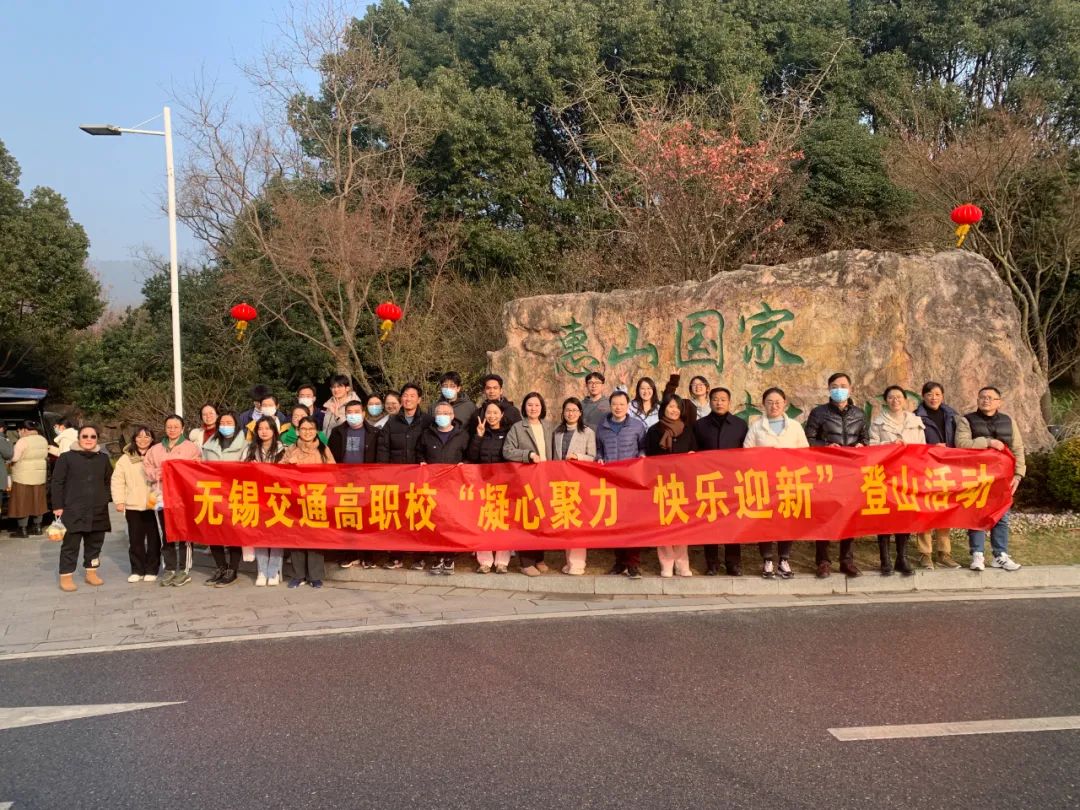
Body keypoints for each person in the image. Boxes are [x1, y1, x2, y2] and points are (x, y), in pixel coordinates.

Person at [804, 372, 869, 578]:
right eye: (834, 386)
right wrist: (826, 446)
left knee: (849, 515)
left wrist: (862, 445)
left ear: (850, 389)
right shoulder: (819, 413)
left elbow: (866, 439)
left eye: (842, 386)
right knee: (825, 515)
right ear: (829, 389)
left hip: (851, 472)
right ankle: (823, 561)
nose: (838, 389)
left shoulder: (859, 414)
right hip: (827, 471)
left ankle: (846, 561)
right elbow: (809, 439)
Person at [957, 386, 1025, 572]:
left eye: (990, 398)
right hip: (976, 476)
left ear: (999, 402)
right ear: (977, 400)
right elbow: (961, 444)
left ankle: (1000, 555)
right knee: (977, 514)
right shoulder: (966, 420)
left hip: (1003, 476)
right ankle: (977, 554)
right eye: (982, 397)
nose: (986, 400)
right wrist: (988, 442)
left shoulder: (1008, 421)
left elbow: (1018, 448)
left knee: (1001, 515)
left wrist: (1018, 474)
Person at [743, 387, 807, 578]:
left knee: (787, 519)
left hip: (789, 481)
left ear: (784, 403)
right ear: (764, 404)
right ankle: (767, 560)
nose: (774, 406)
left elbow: (804, 452)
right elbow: (746, 452)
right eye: (769, 402)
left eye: (778, 402)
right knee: (765, 520)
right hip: (764, 482)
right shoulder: (756, 426)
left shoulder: (795, 426)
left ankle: (784, 559)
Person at [869, 386, 926, 576]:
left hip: (908, 475)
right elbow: (872, 447)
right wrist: (889, 445)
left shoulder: (915, 422)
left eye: (899, 397)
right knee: (884, 516)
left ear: (905, 400)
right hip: (885, 475)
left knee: (904, 515)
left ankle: (902, 558)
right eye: (891, 397)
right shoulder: (878, 422)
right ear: (885, 401)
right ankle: (885, 559)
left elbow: (922, 448)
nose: (895, 400)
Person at [693, 387, 750, 576]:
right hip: (708, 482)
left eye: (723, 399)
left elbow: (746, 453)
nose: (719, 403)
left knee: (733, 522)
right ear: (710, 402)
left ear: (729, 402)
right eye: (715, 399)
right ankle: (712, 564)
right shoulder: (699, 425)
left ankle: (733, 563)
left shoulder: (740, 425)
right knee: (710, 523)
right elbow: (694, 452)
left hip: (732, 482)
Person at [51, 425, 112, 592]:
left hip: (97, 509)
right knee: (71, 545)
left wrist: (105, 497)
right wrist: (57, 505)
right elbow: (57, 482)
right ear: (79, 438)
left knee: (95, 543)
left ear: (97, 439)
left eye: (93, 436)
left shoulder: (103, 459)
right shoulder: (66, 457)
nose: (88, 439)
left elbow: (108, 480)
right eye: (85, 436)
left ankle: (91, 572)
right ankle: (66, 575)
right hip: (73, 509)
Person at [376, 383, 431, 569]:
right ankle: (396, 556)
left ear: (419, 399)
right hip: (396, 477)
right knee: (397, 516)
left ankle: (419, 556)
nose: (408, 399)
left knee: (419, 515)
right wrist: (384, 472)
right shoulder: (392, 422)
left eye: (412, 395)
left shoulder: (427, 421)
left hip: (419, 477)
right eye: (405, 395)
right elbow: (383, 448)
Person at [144, 414, 202, 587]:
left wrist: (179, 471)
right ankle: (169, 568)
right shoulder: (155, 449)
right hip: (161, 496)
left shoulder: (191, 448)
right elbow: (147, 467)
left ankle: (184, 570)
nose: (172, 429)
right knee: (166, 534)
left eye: (176, 426)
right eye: (169, 426)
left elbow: (196, 469)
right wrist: (160, 473)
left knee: (184, 534)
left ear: (182, 428)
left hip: (183, 497)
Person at [595, 391, 648, 579]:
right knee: (615, 522)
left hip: (631, 481)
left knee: (633, 522)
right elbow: (599, 449)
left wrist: (642, 456)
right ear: (610, 406)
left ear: (628, 406)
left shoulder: (637, 426)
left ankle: (633, 564)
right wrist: (599, 458)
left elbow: (643, 447)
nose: (618, 407)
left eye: (622, 404)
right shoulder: (602, 427)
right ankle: (619, 562)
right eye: (615, 404)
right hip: (611, 481)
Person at [645, 394, 698, 577]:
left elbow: (696, 452)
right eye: (670, 406)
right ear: (664, 408)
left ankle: (682, 563)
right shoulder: (654, 431)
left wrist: (692, 456)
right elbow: (649, 457)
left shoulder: (688, 430)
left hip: (683, 484)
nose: (674, 410)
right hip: (661, 483)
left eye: (677, 407)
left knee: (682, 522)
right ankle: (666, 563)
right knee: (664, 523)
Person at [503, 392, 554, 577]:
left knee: (542, 519)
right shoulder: (518, 427)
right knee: (527, 519)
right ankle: (526, 562)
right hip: (526, 480)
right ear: (524, 407)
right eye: (530, 405)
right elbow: (507, 451)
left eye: (537, 405)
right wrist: (528, 455)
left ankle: (539, 558)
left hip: (545, 478)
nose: (533, 408)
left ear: (542, 408)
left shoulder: (548, 426)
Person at [417, 401, 470, 574]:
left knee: (451, 521)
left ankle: (450, 557)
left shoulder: (462, 435)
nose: (442, 416)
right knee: (436, 521)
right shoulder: (427, 434)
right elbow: (419, 452)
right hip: (433, 486)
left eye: (446, 413)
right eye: (439, 413)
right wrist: (421, 462)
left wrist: (464, 464)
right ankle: (439, 557)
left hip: (454, 486)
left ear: (452, 416)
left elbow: (470, 455)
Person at [283, 416, 336, 588]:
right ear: (298, 431)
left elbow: (333, 472)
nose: (307, 432)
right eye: (304, 429)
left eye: (311, 429)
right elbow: (279, 472)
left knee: (315, 536)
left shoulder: (323, 449)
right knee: (296, 536)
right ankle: (298, 575)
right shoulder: (291, 448)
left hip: (316, 499)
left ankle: (315, 576)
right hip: (295, 499)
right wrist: (288, 465)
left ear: (317, 431)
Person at [914, 382, 961, 569]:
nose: (933, 398)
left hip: (947, 469)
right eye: (929, 394)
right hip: (925, 468)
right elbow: (913, 444)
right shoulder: (915, 417)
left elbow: (959, 440)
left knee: (944, 511)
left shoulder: (951, 416)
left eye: (937, 394)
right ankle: (925, 554)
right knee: (925, 510)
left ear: (942, 396)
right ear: (923, 396)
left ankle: (944, 553)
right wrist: (931, 448)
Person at [329, 398, 381, 570]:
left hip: (367, 482)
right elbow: (331, 457)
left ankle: (368, 555)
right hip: (344, 483)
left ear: (363, 413)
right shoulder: (337, 432)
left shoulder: (374, 432)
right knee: (347, 519)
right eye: (349, 413)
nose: (353, 415)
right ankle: (348, 554)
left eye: (356, 412)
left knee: (367, 519)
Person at [550, 397, 597, 575]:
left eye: (574, 410)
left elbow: (593, 456)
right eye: (568, 410)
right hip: (561, 482)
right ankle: (569, 561)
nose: (571, 413)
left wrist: (579, 457)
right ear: (563, 413)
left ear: (580, 413)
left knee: (578, 522)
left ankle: (577, 563)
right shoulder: (557, 432)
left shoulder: (588, 432)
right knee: (566, 522)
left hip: (579, 482)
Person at [201, 412, 249, 586]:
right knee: (213, 531)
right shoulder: (209, 445)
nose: (225, 426)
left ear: (236, 425)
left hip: (234, 493)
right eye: (222, 422)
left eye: (229, 422)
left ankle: (232, 569)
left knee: (233, 532)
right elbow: (201, 468)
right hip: (213, 493)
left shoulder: (245, 445)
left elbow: (247, 469)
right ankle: (220, 566)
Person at [110, 425, 161, 583]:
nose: (143, 440)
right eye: (139, 436)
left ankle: (152, 569)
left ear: (152, 439)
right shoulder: (125, 459)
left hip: (154, 504)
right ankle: (137, 569)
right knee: (135, 539)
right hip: (133, 504)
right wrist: (119, 501)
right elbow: (117, 481)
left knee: (154, 539)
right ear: (134, 439)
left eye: (147, 436)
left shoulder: (158, 456)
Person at [467, 401, 513, 573]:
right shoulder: (480, 432)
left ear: (502, 415)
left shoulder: (509, 433)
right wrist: (478, 436)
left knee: (502, 522)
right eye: (488, 413)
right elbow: (472, 456)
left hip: (503, 485)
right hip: (483, 484)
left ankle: (502, 561)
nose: (492, 416)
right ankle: (485, 561)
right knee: (484, 521)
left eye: (495, 413)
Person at [245, 417, 287, 585]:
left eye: (267, 428)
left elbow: (286, 474)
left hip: (277, 497)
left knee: (276, 534)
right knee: (260, 534)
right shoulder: (250, 449)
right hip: (257, 497)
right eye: (260, 428)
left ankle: (273, 571)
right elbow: (241, 471)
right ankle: (262, 571)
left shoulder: (283, 449)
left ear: (274, 431)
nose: (264, 431)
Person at [7, 420, 49, 538]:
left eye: (19, 430)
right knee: (38, 502)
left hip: (23, 476)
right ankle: (38, 527)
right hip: (39, 476)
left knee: (22, 502)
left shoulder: (22, 441)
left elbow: (15, 458)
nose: (19, 433)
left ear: (24, 430)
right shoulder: (43, 440)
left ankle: (23, 529)